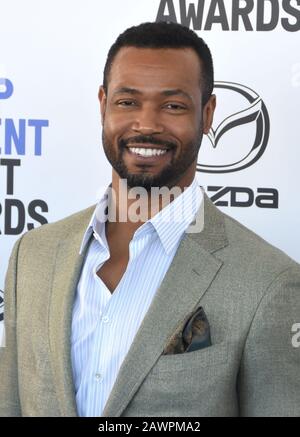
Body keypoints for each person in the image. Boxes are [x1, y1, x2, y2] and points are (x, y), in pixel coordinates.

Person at [0, 21, 299, 418]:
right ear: (103, 104)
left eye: (173, 105)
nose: (147, 124)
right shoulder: (31, 256)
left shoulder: (268, 281)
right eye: (127, 102)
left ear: (207, 115)